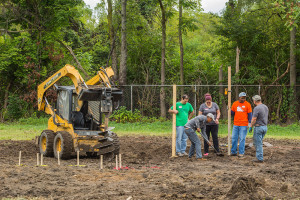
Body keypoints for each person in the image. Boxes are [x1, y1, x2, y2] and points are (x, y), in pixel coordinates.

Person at [231, 92, 252, 157]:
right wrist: (229, 109)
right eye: (242, 98)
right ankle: (233, 151)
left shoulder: (247, 104)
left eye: (244, 98)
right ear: (239, 97)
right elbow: (232, 113)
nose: (243, 99)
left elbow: (250, 114)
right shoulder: (235, 104)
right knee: (234, 138)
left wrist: (250, 123)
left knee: (242, 138)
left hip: (244, 124)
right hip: (236, 124)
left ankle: (241, 152)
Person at [249, 95, 269, 163]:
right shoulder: (265, 107)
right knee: (257, 142)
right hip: (265, 127)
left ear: (254, 101)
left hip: (259, 127)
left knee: (258, 143)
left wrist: (251, 126)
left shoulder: (257, 108)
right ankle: (259, 155)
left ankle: (259, 158)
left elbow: (254, 119)